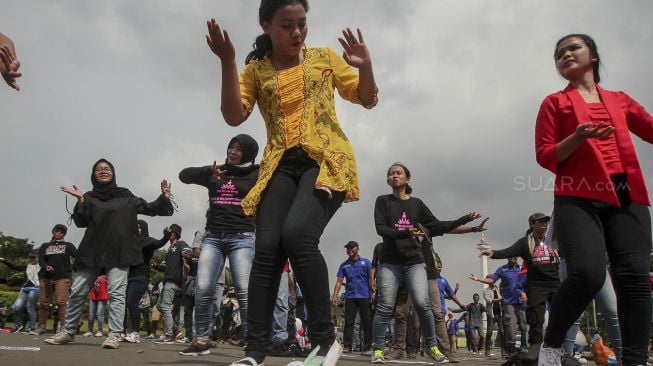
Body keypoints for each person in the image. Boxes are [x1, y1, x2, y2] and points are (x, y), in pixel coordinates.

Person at [206, 0, 378, 364]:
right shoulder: (257, 70)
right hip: (280, 165)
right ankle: (255, 352)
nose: (297, 32)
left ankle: (324, 341)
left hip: (325, 159)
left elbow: (367, 98)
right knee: (267, 248)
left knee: (298, 235)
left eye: (302, 23)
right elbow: (234, 116)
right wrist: (227, 62)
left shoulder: (324, 58)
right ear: (267, 25)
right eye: (287, 25)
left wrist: (366, 68)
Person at [534, 33, 653, 366]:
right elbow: (545, 155)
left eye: (574, 48)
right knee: (587, 273)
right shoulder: (554, 103)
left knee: (634, 279)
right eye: (559, 53)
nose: (565, 55)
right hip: (577, 194)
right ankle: (552, 346)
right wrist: (577, 136)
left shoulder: (619, 100)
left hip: (627, 195)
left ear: (593, 56)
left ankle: (635, 360)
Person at [48, 158, 174, 349]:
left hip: (119, 251)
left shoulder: (126, 196)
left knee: (117, 294)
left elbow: (151, 208)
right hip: (93, 250)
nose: (103, 171)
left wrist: (164, 197)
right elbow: (81, 222)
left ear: (113, 172)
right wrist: (81, 200)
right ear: (93, 174)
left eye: (107, 168)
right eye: (99, 169)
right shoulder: (89, 197)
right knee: (78, 292)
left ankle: (114, 334)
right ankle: (69, 331)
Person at [371, 162, 485, 364]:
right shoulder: (383, 201)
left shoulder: (417, 204)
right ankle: (378, 349)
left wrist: (463, 219)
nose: (394, 176)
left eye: (399, 173)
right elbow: (381, 229)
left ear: (408, 179)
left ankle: (432, 347)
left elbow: (437, 225)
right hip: (390, 262)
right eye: (391, 174)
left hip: (414, 262)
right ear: (388, 180)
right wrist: (406, 232)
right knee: (385, 307)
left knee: (423, 305)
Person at [177, 134, 259, 356]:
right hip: (212, 237)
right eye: (230, 147)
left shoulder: (257, 173)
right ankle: (201, 340)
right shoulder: (217, 170)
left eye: (239, 149)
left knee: (244, 290)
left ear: (249, 153)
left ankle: (253, 342)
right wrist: (208, 173)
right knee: (203, 288)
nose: (232, 151)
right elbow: (183, 175)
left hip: (241, 237)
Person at [478, 213, 560, 361]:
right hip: (536, 285)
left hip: (555, 283)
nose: (544, 224)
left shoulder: (553, 240)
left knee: (559, 317)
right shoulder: (524, 243)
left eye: (546, 222)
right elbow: (509, 251)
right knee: (536, 319)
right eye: (540, 222)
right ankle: (535, 348)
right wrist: (494, 253)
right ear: (532, 224)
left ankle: (558, 348)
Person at [123, 220, 169, 343]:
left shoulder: (147, 241)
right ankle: (128, 332)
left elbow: (159, 243)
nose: (136, 229)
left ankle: (135, 333)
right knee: (129, 303)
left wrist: (166, 236)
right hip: (130, 277)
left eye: (138, 227)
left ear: (143, 228)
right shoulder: (133, 243)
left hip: (141, 277)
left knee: (132, 302)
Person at [470, 257, 524, 355]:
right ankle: (489, 350)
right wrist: (478, 279)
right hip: (492, 314)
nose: (493, 282)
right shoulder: (487, 290)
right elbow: (489, 300)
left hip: (501, 311)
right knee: (491, 332)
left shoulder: (497, 289)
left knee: (506, 330)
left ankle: (507, 350)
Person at [32, 224, 77, 335]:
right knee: (44, 302)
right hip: (46, 277)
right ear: (53, 232)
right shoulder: (45, 245)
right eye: (56, 231)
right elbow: (41, 259)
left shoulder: (68, 245)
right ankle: (41, 326)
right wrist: (45, 266)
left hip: (62, 277)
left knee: (61, 302)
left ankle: (64, 328)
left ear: (64, 234)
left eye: (61, 232)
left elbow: (78, 256)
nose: (58, 233)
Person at [331, 240, 373, 355]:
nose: (349, 250)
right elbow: (339, 281)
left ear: (357, 249)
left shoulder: (366, 262)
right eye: (348, 248)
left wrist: (373, 293)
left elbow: (371, 279)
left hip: (364, 295)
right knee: (349, 322)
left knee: (367, 322)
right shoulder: (344, 265)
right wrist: (335, 296)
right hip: (350, 296)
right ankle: (347, 346)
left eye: (352, 248)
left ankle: (367, 346)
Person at [152, 224, 188, 344]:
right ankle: (176, 331)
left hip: (174, 281)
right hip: (167, 280)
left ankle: (169, 335)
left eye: (171, 232)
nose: (169, 233)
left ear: (175, 233)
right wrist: (156, 266)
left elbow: (188, 251)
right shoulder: (169, 249)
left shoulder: (180, 244)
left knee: (165, 306)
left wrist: (187, 255)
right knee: (159, 306)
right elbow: (164, 266)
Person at [0, 250, 40, 332]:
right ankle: (18, 324)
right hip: (25, 288)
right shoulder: (27, 266)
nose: (32, 259)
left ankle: (32, 327)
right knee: (16, 307)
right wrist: (4, 261)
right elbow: (14, 267)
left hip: (35, 288)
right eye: (30, 257)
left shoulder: (42, 267)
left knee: (30, 307)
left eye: (34, 257)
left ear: (38, 258)